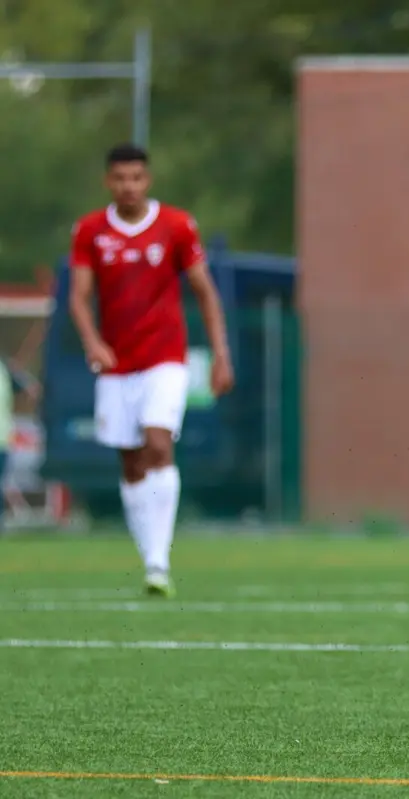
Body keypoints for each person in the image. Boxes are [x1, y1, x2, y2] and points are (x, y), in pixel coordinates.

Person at [69, 143, 234, 597]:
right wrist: (93, 342)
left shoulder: (177, 226)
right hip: (117, 366)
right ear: (109, 181)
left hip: (165, 359)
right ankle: (150, 559)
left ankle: (159, 562)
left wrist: (221, 353)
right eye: (120, 178)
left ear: (148, 180)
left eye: (136, 178)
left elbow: (204, 291)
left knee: (158, 444)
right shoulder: (89, 231)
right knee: (130, 460)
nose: (128, 186)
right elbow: (78, 297)